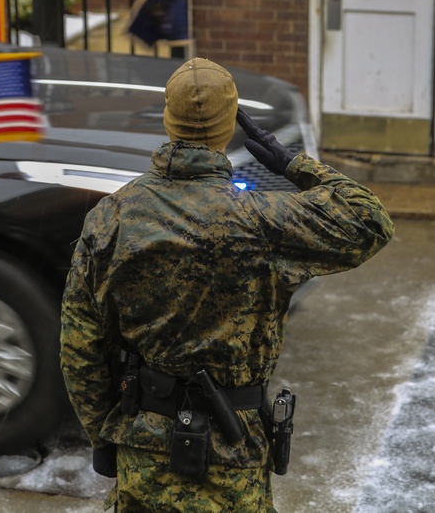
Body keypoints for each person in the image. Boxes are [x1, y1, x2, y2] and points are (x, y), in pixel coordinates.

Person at [60, 57, 394, 511]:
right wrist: (294, 164)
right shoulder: (262, 221)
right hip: (235, 461)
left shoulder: (111, 219)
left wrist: (107, 433)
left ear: (167, 119)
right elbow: (370, 221)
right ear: (228, 127)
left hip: (145, 454)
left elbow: (79, 350)